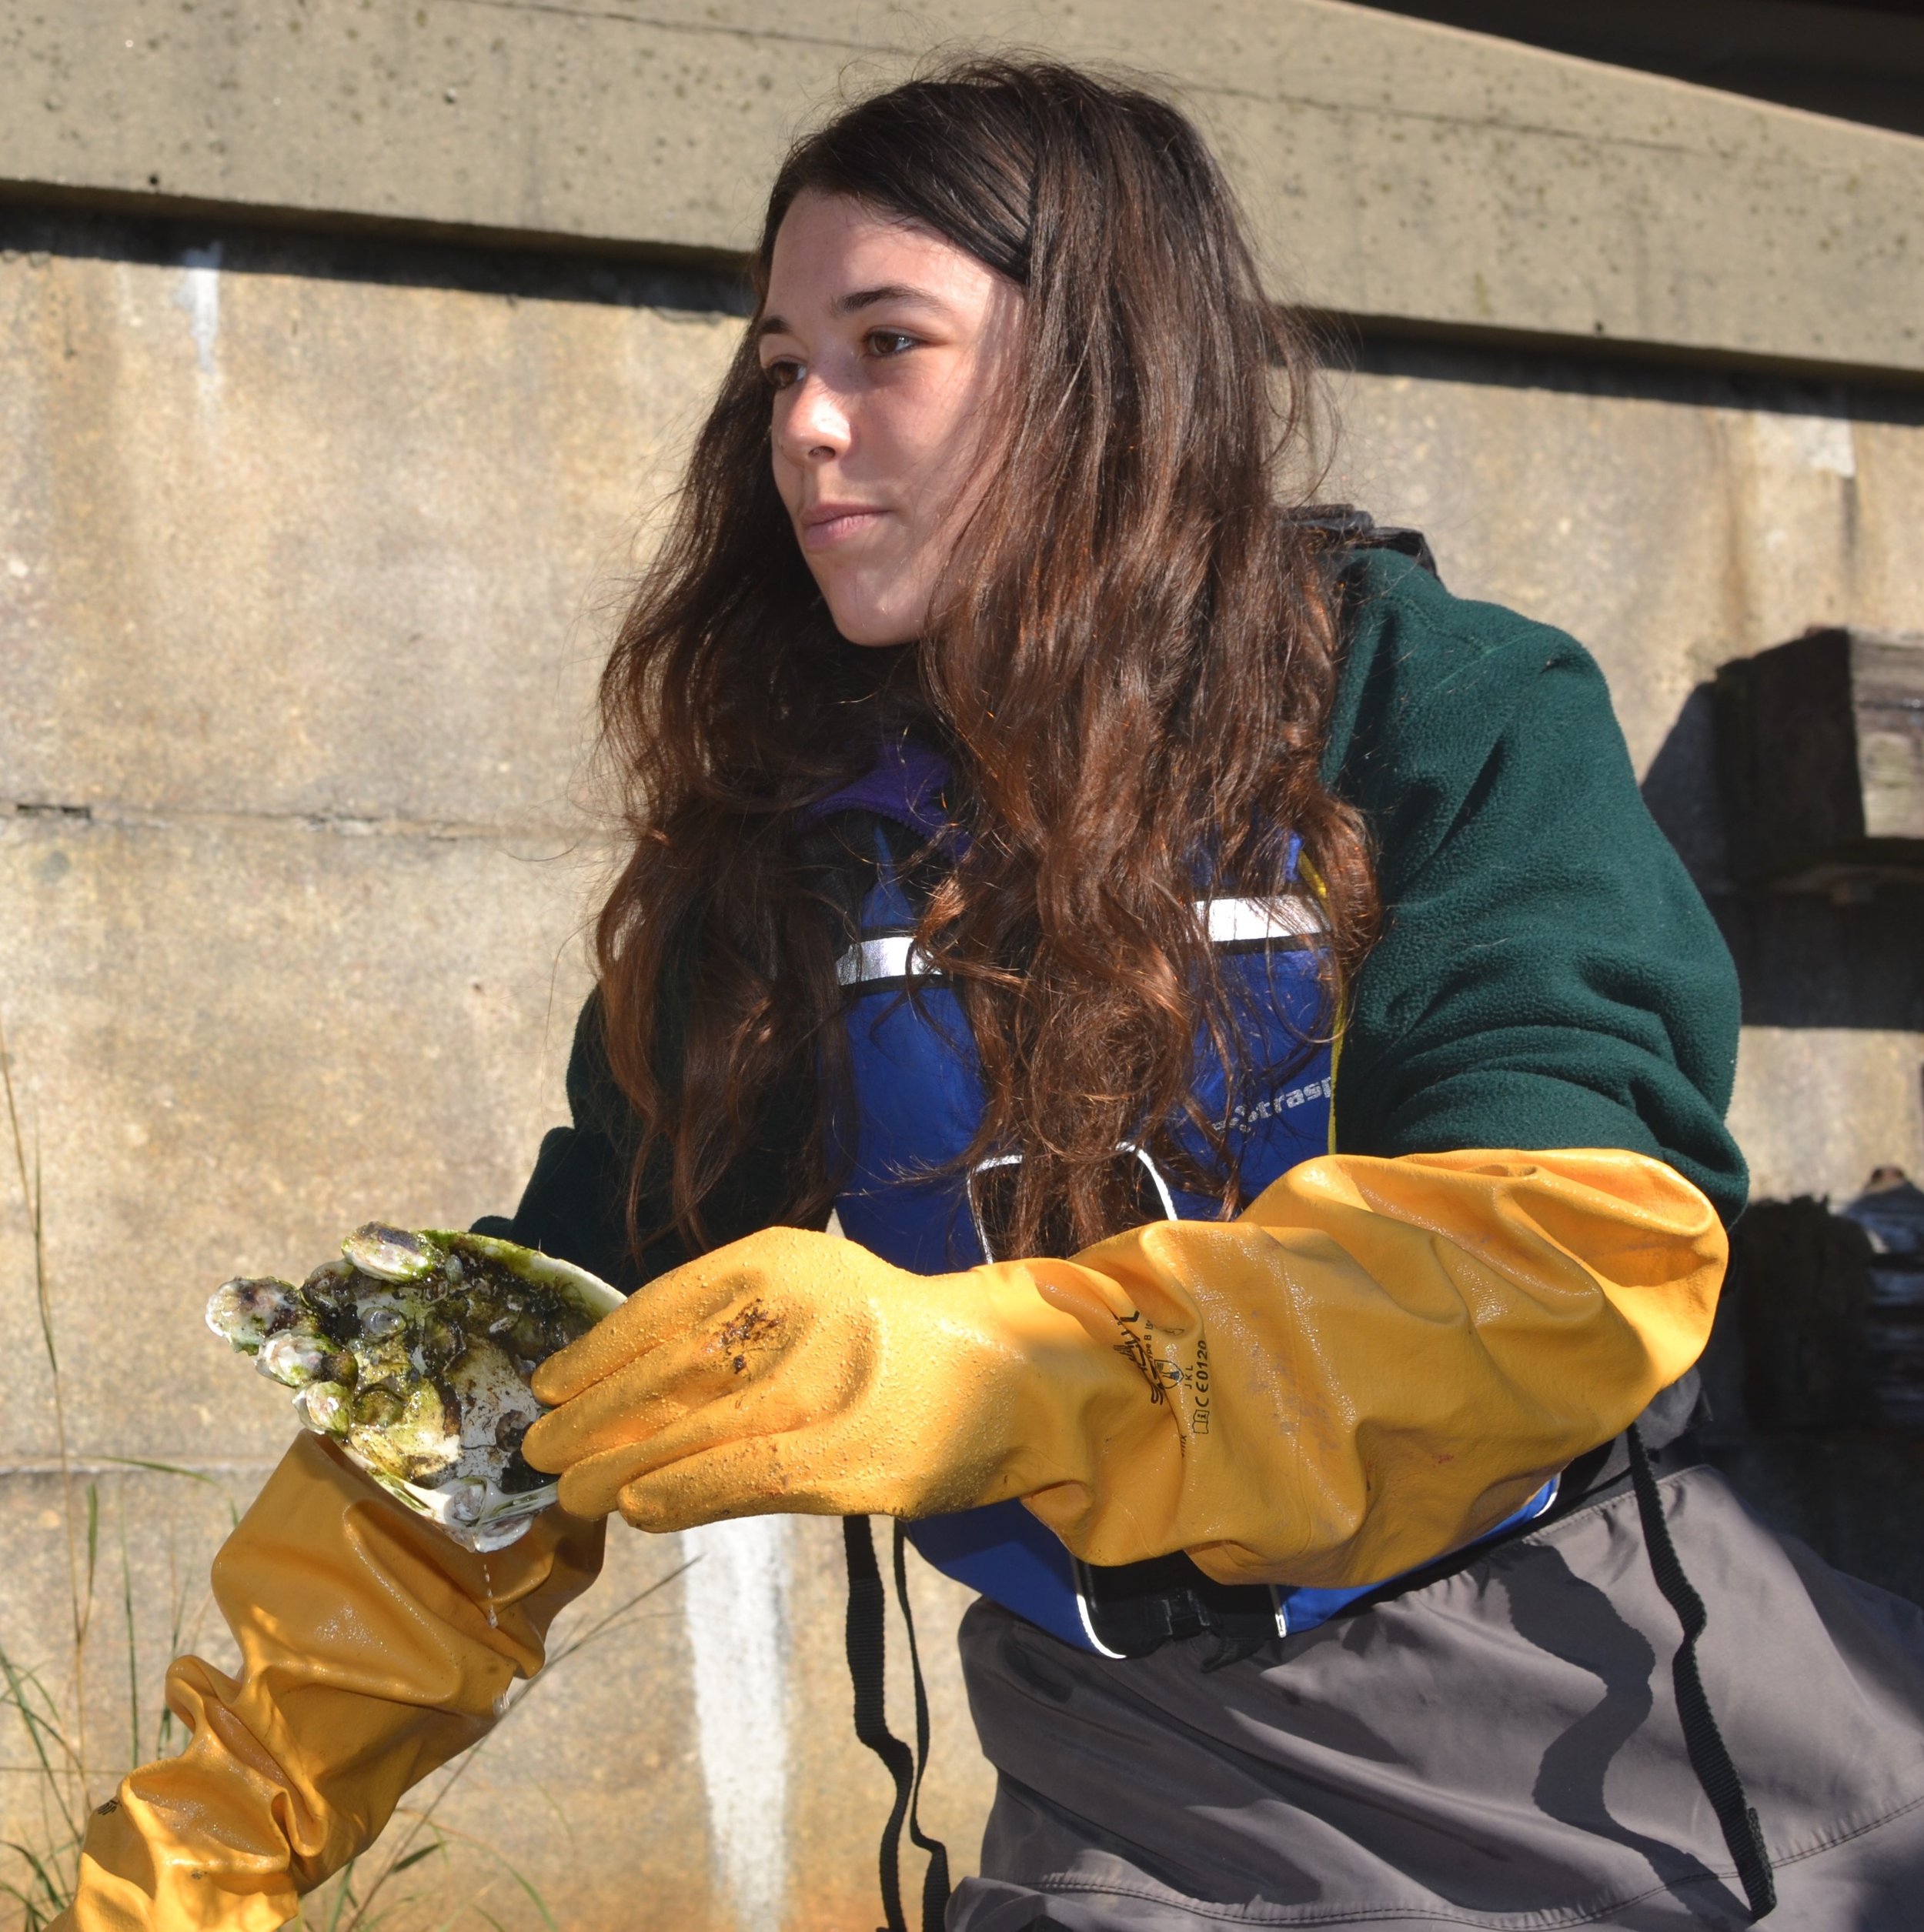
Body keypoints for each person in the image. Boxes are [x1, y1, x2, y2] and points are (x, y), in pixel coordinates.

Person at [62, 58, 1924, 1932]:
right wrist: (206, 1837)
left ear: (1106, 366)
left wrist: (1000, 1371)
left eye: (886, 344)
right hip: (1135, 1788)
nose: (805, 423)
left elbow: (1571, 1261)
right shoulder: (785, 855)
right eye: (780, 365)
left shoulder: (1432, 704)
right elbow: (521, 1379)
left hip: (1621, 1725)